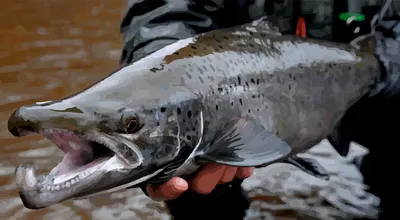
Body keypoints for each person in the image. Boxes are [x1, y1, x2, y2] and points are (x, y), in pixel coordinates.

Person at [120, 0, 398, 219]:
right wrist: (167, 86)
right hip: (231, 93)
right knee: (185, 159)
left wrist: (380, 68)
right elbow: (165, 12)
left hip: (373, 85)